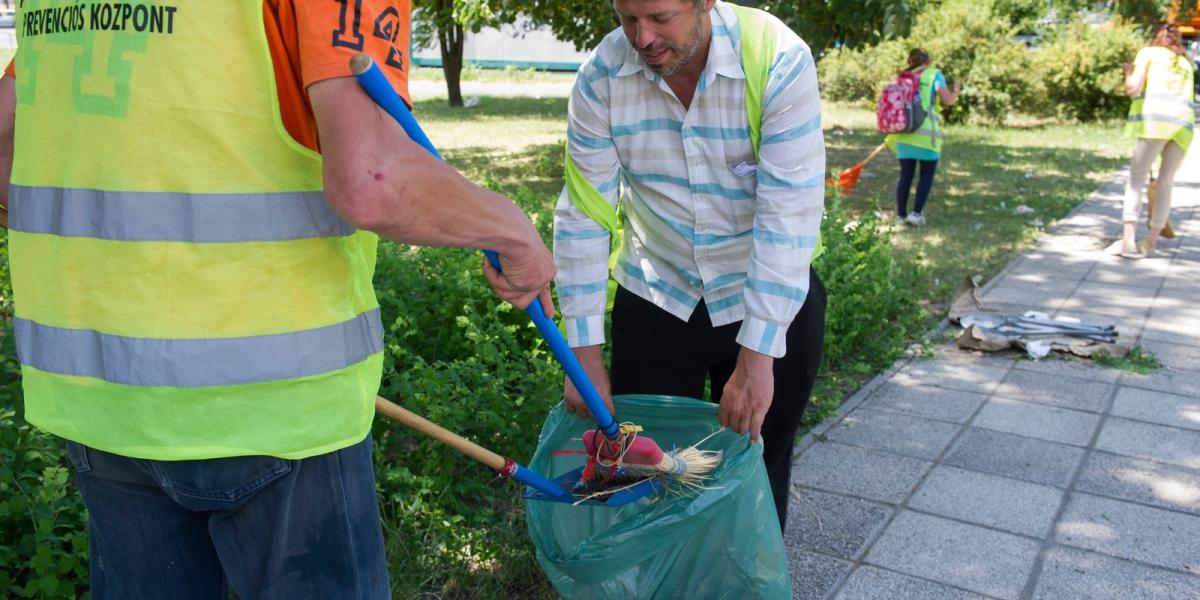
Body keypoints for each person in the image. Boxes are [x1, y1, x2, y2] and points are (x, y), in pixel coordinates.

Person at [0, 1, 554, 598]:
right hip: (270, 404)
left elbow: (6, 141)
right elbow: (374, 182)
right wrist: (514, 231)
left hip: (99, 393)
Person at [552, 0, 826, 532]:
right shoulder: (601, 78)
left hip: (766, 297)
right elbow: (584, 216)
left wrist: (758, 356)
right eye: (627, 19)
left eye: (660, 17)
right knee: (643, 475)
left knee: (756, 473)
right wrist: (581, 354)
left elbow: (787, 216)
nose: (643, 37)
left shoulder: (777, 58)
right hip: (658, 296)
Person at [1113, 23, 1195, 258]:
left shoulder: (1148, 53)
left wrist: (1128, 72)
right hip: (1182, 127)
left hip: (1154, 124)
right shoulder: (1185, 63)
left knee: (1136, 180)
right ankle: (1150, 242)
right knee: (1166, 183)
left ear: (1156, 37)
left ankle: (1128, 241)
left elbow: (1133, 88)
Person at [885, 48, 960, 227]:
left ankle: (901, 216)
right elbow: (948, 100)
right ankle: (916, 213)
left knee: (905, 175)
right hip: (927, 135)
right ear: (928, 61)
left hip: (904, 133)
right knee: (926, 174)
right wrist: (956, 91)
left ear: (909, 60)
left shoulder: (902, 76)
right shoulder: (934, 75)